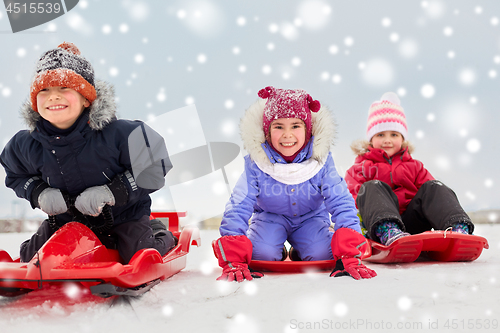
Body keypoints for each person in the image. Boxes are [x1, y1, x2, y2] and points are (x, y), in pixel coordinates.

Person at [0, 42, 176, 263]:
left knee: (138, 254)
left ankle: (159, 232)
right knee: (32, 258)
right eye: (44, 90)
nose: (53, 97)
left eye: (64, 88)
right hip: (67, 220)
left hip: (123, 217)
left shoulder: (121, 134)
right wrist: (39, 192)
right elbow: (16, 175)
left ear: (86, 98)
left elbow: (154, 165)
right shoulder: (25, 144)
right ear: (35, 101)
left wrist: (112, 191)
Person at [213, 86, 377, 282]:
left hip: (311, 218)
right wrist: (235, 258)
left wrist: (350, 253)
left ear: (307, 130)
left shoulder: (321, 161)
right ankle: (276, 247)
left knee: (323, 255)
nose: (287, 135)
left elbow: (340, 200)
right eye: (279, 126)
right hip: (270, 218)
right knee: (261, 255)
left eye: (295, 126)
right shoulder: (256, 163)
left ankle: (303, 248)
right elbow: (239, 204)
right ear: (267, 131)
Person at [345, 92, 474, 246]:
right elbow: (349, 200)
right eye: (380, 135)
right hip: (378, 224)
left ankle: (458, 228)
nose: (387, 140)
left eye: (394, 134)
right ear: (371, 140)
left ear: (402, 138)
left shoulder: (415, 167)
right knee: (371, 187)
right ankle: (388, 230)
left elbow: (432, 198)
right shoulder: (361, 168)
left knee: (434, 187)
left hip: (413, 224)